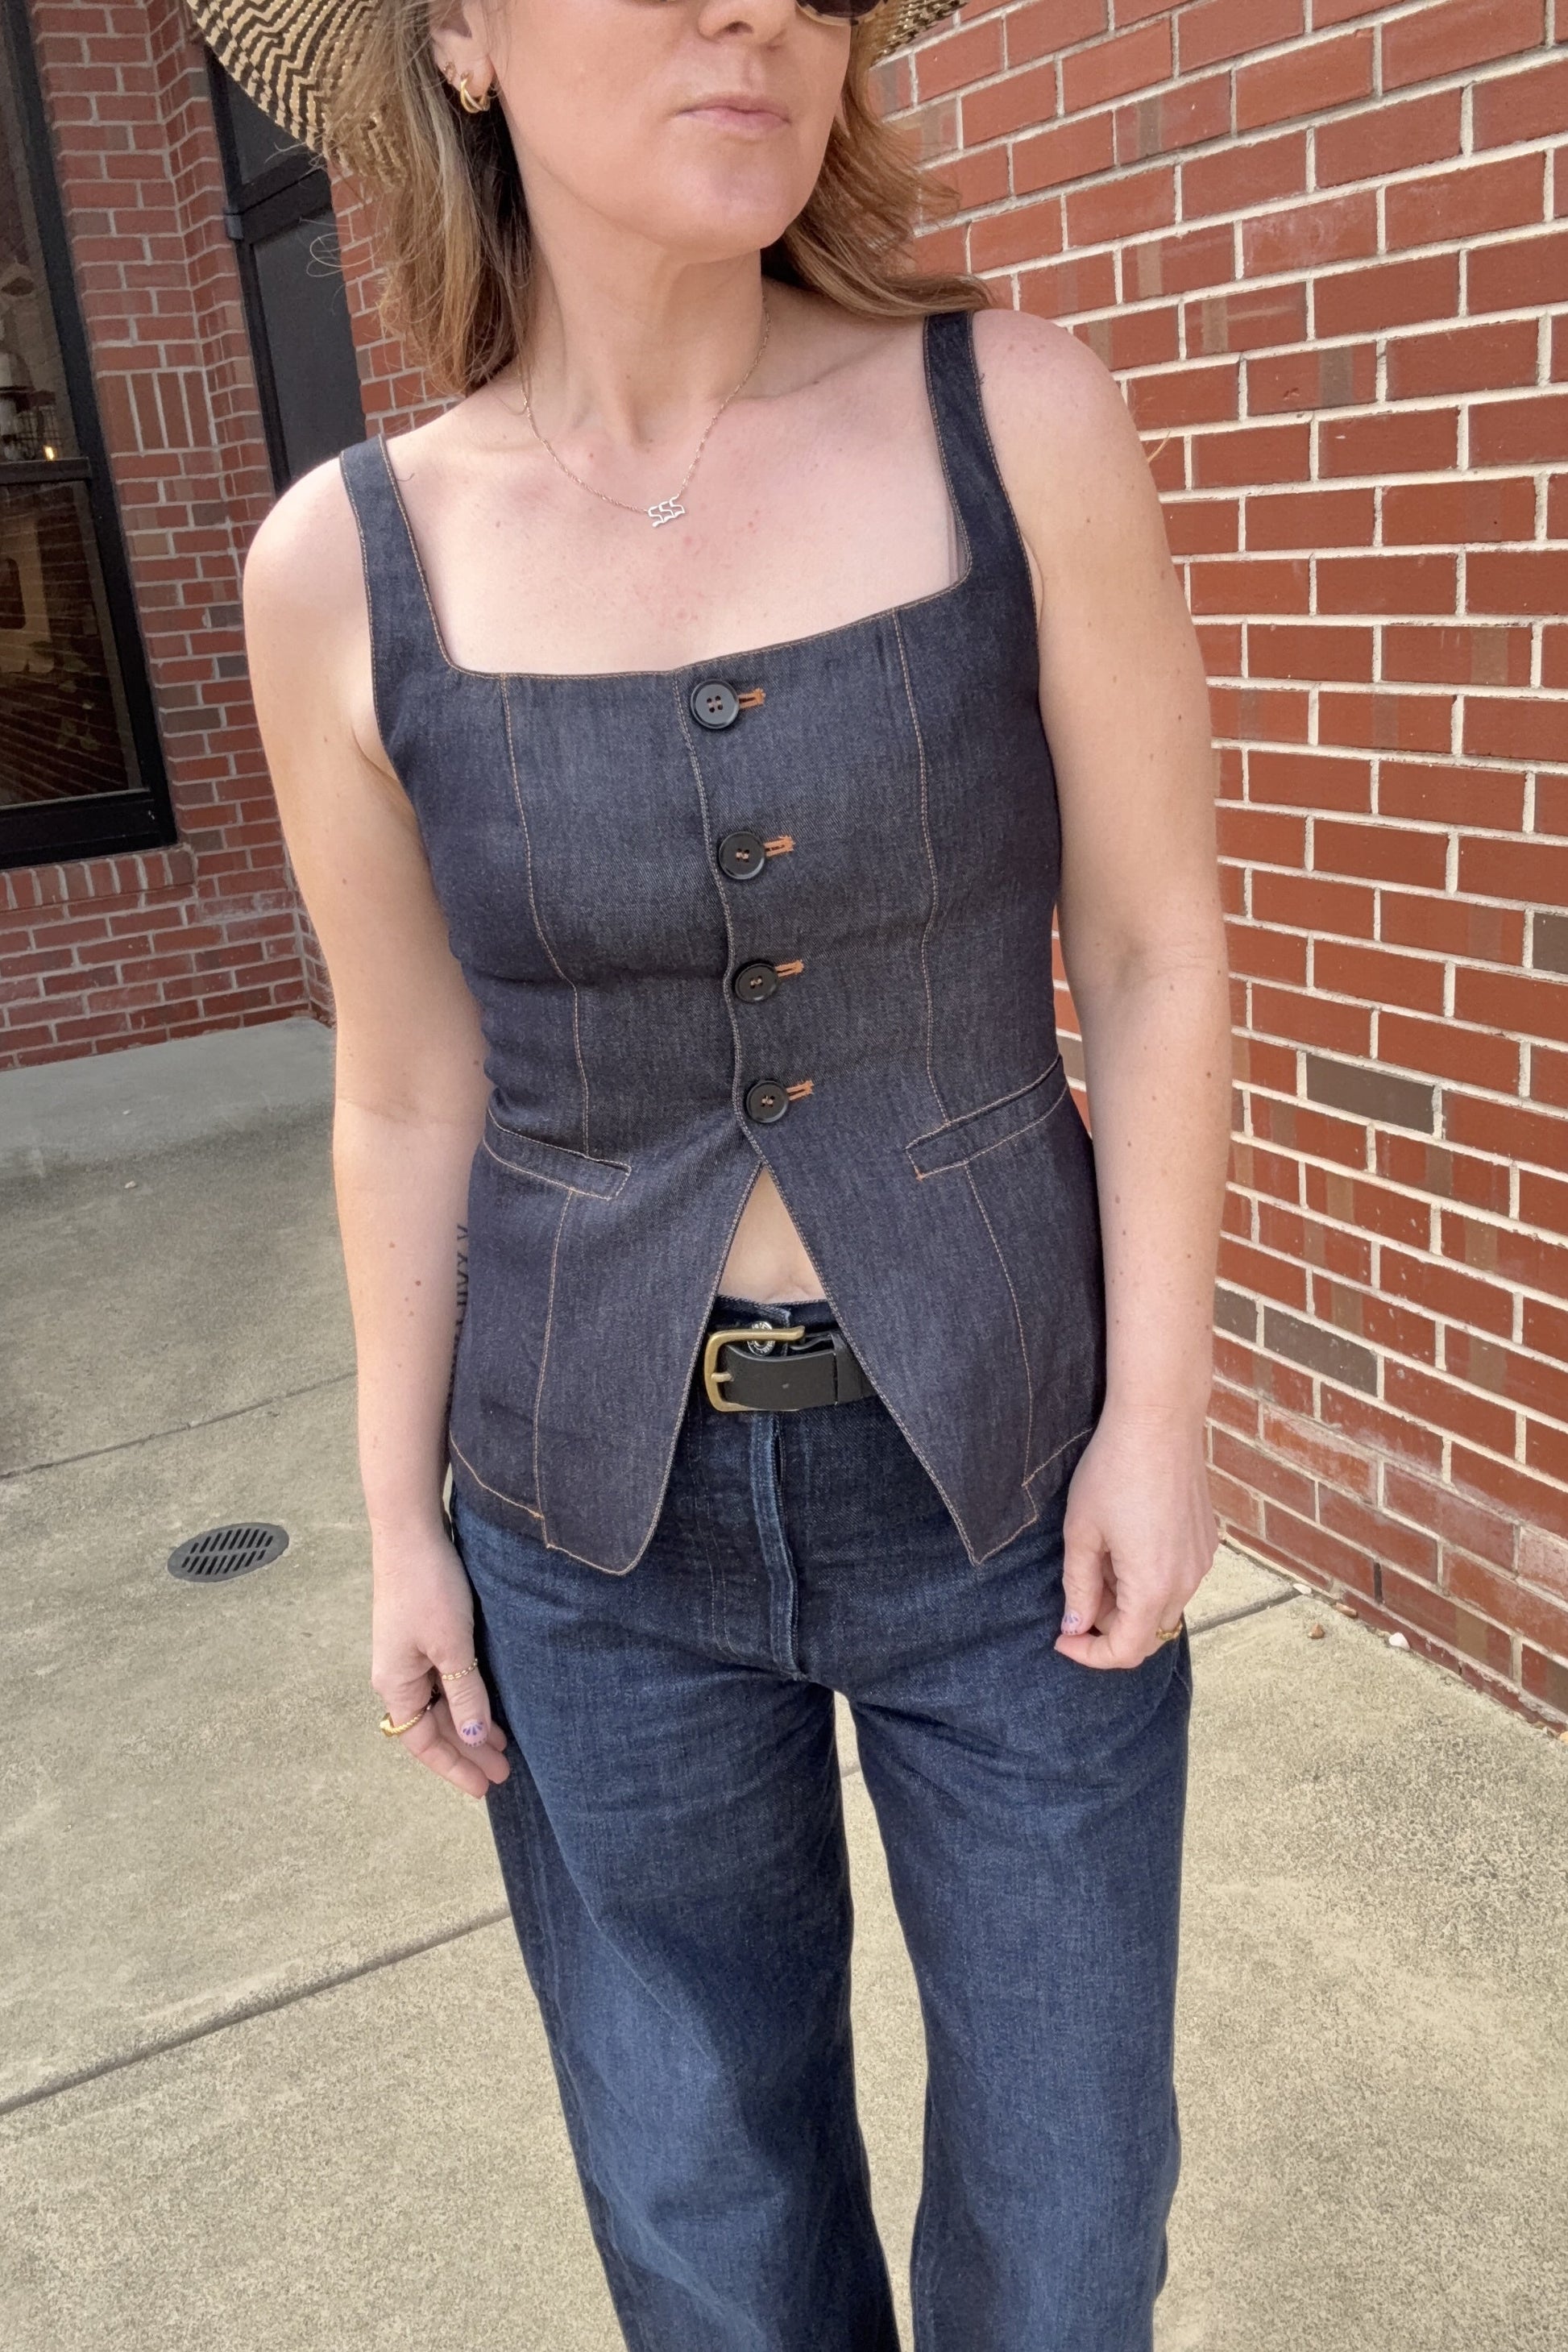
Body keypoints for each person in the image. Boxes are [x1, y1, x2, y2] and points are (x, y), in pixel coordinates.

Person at [224, 0, 1232, 2343]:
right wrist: (396, 1526)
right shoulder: (340, 566)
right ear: (461, 39)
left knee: (1071, 2220)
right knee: (707, 2229)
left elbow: (1153, 947)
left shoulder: (1016, 417)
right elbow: (406, 1087)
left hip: (1008, 1477)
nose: (753, 8)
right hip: (588, 1530)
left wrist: (1163, 1415)